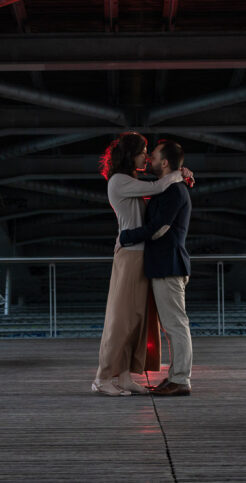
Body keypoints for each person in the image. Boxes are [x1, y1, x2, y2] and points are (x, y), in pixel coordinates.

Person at [92, 132, 193, 397]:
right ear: (131, 154)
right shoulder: (121, 181)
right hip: (133, 255)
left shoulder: (138, 182)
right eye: (143, 152)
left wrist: (179, 174)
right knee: (122, 319)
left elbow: (158, 201)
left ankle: (129, 376)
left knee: (136, 320)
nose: (147, 157)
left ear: (165, 163)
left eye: (152, 154)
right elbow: (157, 188)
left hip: (149, 258)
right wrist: (180, 173)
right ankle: (104, 378)